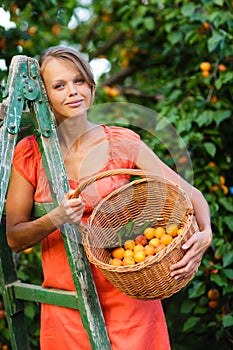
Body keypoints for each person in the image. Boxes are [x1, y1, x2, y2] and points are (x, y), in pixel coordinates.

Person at [6, 45, 212, 350]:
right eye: (59, 85)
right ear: (44, 95)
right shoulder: (30, 153)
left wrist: (206, 232)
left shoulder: (122, 142)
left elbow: (188, 193)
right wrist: (56, 217)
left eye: (79, 81)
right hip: (67, 306)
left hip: (131, 304)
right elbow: (14, 237)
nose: (73, 92)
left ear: (91, 85)